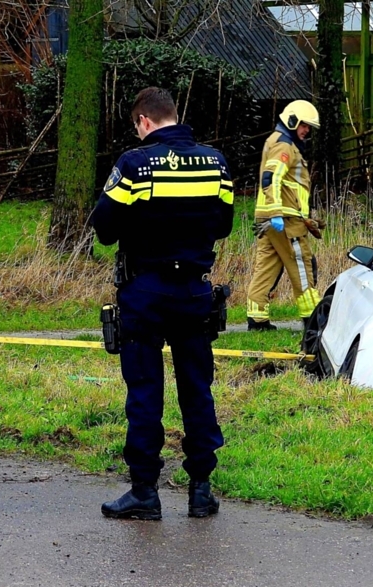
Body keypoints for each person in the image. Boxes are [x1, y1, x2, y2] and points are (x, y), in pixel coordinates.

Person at [90, 87, 233, 520]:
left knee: (145, 392)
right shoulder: (216, 163)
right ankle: (201, 490)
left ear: (144, 122)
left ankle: (144, 493)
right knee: (197, 389)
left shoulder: (134, 165)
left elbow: (105, 228)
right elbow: (224, 225)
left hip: (145, 292)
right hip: (194, 291)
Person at [245, 100, 325, 331]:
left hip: (270, 218)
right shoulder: (284, 147)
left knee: (267, 265)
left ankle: (257, 319)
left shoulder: (276, 141)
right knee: (301, 264)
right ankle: (311, 318)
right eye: (304, 125)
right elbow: (271, 178)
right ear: (291, 120)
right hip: (286, 220)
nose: (306, 130)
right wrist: (278, 213)